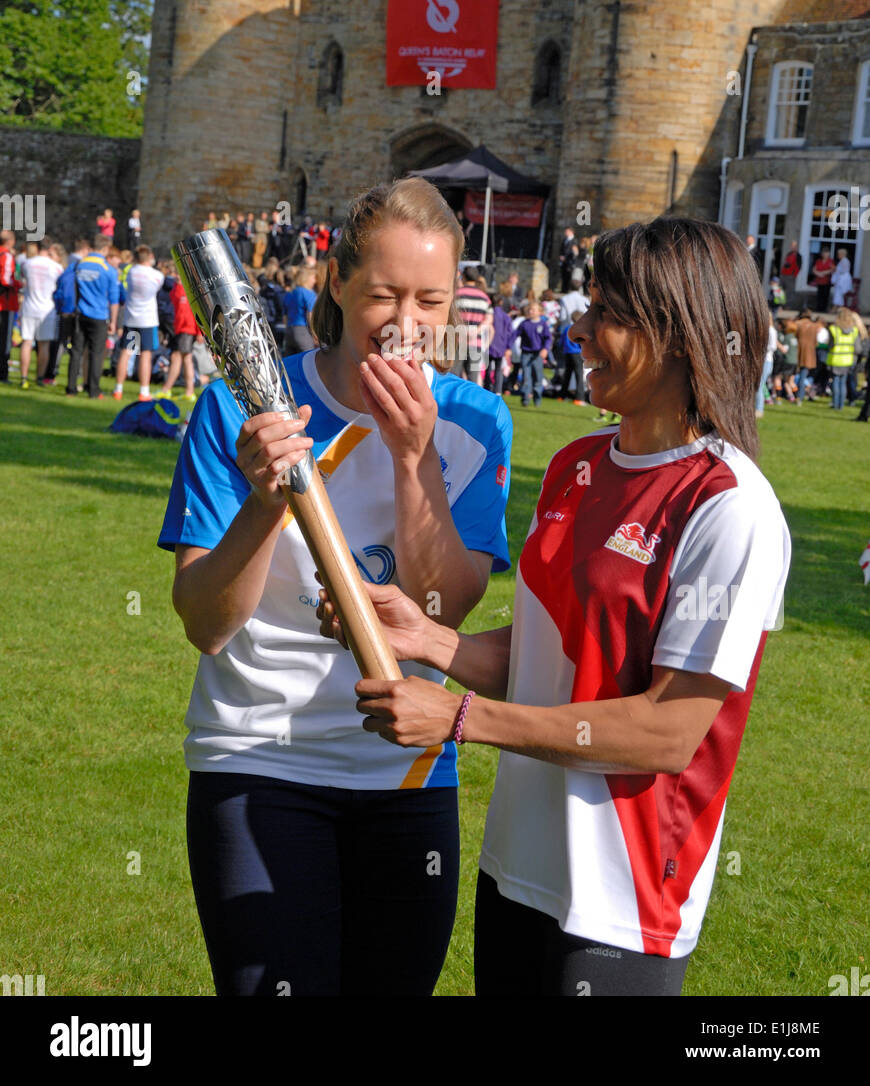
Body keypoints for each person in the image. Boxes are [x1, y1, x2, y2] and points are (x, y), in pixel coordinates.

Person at [324, 217, 790, 997]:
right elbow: (550, 660)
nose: (578, 332)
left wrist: (459, 719)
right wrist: (431, 639)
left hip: (621, 905)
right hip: (516, 870)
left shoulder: (728, 505)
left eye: (606, 313)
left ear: (680, 334)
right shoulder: (576, 464)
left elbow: (668, 729)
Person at [158, 177, 513, 997]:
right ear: (337, 285)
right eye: (383, 294)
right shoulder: (236, 409)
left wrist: (413, 454)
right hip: (258, 761)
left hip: (406, 773)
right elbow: (207, 625)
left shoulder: (476, 421)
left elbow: (442, 611)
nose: (406, 322)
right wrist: (262, 502)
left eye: (430, 299)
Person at [66, 236, 120, 399]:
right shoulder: (108, 269)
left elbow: (72, 286)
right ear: (105, 249)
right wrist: (114, 321)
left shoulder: (80, 264)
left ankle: (71, 388)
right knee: (96, 354)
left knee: (76, 352)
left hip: (80, 312)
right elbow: (114, 300)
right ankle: (93, 390)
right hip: (99, 315)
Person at [113, 246, 165, 401]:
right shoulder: (156, 275)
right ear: (149, 256)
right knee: (145, 355)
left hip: (131, 318)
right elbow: (157, 289)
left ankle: (118, 389)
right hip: (147, 320)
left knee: (126, 353)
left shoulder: (131, 272)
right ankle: (144, 391)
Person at [18, 238, 63, 388]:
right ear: (49, 248)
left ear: (36, 247)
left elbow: (22, 277)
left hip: (29, 306)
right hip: (47, 309)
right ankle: (40, 376)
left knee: (27, 342)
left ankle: (23, 377)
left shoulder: (27, 264)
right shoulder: (56, 267)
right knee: (44, 345)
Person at [163, 278, 198, 401]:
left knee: (179, 358)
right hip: (181, 329)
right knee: (184, 359)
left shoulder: (189, 289)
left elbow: (194, 311)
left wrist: (199, 332)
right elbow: (174, 299)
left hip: (187, 329)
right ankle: (189, 391)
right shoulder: (178, 289)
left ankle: (167, 389)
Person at [516, 299, 552, 407]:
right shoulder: (524, 324)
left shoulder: (543, 324)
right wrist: (507, 347)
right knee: (526, 377)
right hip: (526, 354)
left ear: (540, 312)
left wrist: (545, 349)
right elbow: (514, 335)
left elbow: (548, 339)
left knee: (537, 377)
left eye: (533, 310)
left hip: (537, 355)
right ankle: (525, 399)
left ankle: (537, 399)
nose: (531, 311)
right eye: (529, 309)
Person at [827, 306, 859, 411]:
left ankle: (835, 404)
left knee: (836, 381)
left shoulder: (834, 330)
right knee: (843, 383)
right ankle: (841, 405)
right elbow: (857, 348)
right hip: (847, 359)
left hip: (836, 359)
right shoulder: (854, 331)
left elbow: (830, 345)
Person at [282, 265, 318, 354]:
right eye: (314, 278)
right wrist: (314, 333)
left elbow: (284, 316)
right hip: (302, 330)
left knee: (290, 360)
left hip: (289, 330)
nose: (315, 281)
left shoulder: (290, 292)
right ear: (307, 278)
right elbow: (310, 315)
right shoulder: (309, 293)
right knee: (308, 357)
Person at [0, 230, 21, 383]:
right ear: (10, 241)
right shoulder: (6, 256)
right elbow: (6, 279)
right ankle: (3, 374)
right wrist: (20, 284)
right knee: (5, 341)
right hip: (5, 304)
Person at [794, 308, 818, 403]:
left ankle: (798, 396)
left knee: (797, 375)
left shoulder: (798, 324)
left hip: (798, 351)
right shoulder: (814, 326)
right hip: (809, 352)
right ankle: (801, 395)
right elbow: (815, 342)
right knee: (804, 374)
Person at [780, 241, 801, 306]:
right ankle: (779, 305)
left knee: (790, 292)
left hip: (791, 276)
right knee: (780, 290)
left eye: (794, 246)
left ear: (796, 247)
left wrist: (794, 275)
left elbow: (799, 267)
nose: (792, 247)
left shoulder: (798, 256)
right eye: (792, 245)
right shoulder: (789, 254)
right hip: (784, 275)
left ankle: (788, 305)